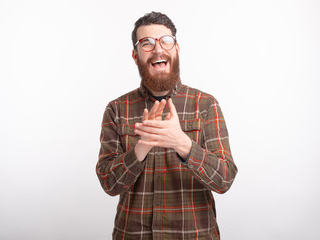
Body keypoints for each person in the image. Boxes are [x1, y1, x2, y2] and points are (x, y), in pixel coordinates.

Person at [96, 11, 238, 240]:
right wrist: (140, 149)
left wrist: (182, 143)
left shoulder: (205, 105)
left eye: (166, 41)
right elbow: (109, 184)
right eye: (147, 43)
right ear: (135, 55)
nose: (158, 49)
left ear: (176, 49)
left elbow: (224, 180)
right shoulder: (117, 109)